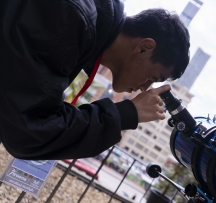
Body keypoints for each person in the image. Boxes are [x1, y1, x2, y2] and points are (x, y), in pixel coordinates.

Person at [0, 0, 190, 160]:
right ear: (144, 48)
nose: (144, 88)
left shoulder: (87, 23)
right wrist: (124, 114)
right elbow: (27, 131)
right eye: (153, 78)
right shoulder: (70, 19)